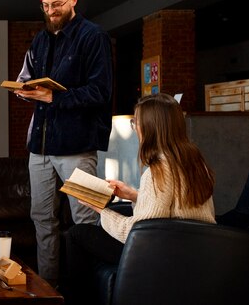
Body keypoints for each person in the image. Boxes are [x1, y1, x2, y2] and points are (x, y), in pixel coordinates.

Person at [63, 93, 216, 304]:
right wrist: (133, 195)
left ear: (151, 126)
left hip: (161, 254)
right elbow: (175, 205)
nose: (135, 127)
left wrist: (100, 208)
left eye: (136, 121)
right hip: (194, 249)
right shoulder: (195, 160)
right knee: (113, 216)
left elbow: (135, 233)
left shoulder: (158, 169)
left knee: (77, 234)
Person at [15, 0, 113, 283]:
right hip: (40, 148)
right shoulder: (41, 39)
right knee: (42, 219)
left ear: (73, 1)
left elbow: (100, 92)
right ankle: (49, 287)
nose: (51, 11)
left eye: (57, 4)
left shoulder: (93, 37)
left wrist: (53, 96)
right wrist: (24, 89)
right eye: (45, 5)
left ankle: (86, 289)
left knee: (85, 221)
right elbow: (26, 75)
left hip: (77, 146)